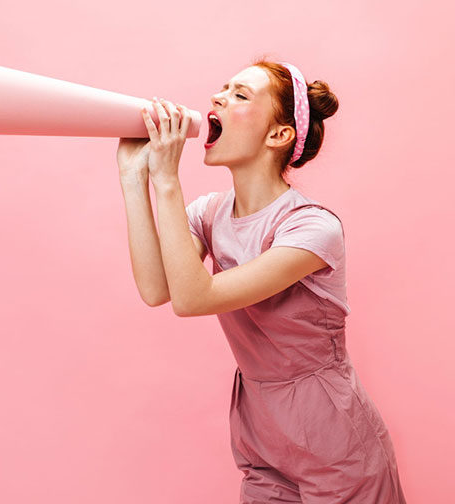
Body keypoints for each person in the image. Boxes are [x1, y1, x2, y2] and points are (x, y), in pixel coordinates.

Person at [116, 59, 408, 503]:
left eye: (240, 95)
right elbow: (158, 290)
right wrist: (134, 179)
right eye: (223, 88)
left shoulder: (311, 227)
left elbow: (195, 298)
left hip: (336, 440)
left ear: (279, 135)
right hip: (261, 433)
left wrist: (167, 179)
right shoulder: (209, 212)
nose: (217, 97)